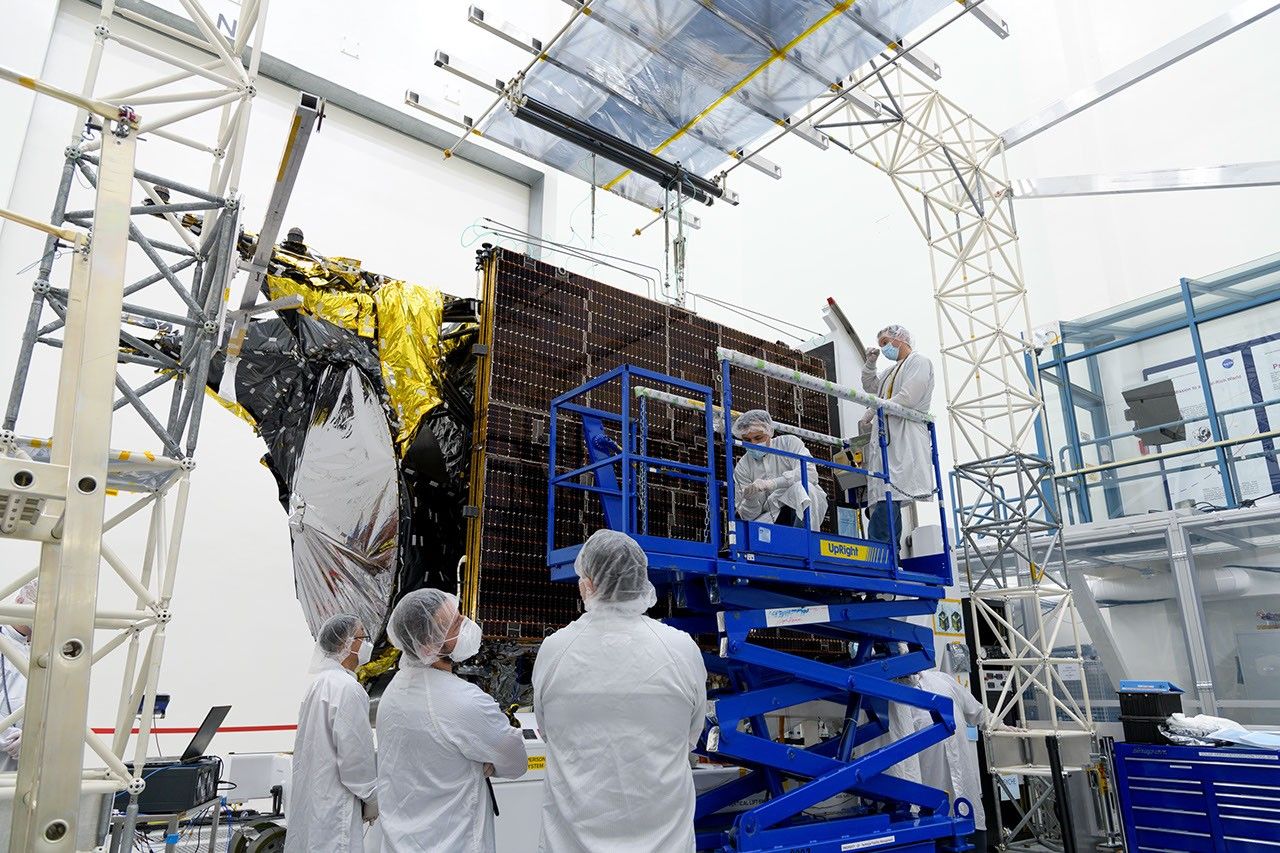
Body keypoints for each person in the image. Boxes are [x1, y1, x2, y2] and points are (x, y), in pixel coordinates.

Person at [534, 529, 708, 852]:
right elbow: (689, 736)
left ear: (588, 584)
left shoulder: (554, 651)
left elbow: (547, 731)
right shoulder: (681, 650)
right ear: (640, 579)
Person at [376, 589, 526, 853]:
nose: (467, 623)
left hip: (401, 842)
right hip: (453, 843)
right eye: (455, 624)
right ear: (427, 646)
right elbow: (516, 762)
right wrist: (485, 760)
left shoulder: (393, 691)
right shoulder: (464, 701)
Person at [284, 613, 377, 853]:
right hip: (336, 808)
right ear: (346, 643)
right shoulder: (348, 689)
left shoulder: (320, 684)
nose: (367, 643)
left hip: (316, 801)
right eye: (362, 637)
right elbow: (355, 759)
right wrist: (374, 798)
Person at [860, 324, 935, 548]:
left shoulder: (919, 362)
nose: (884, 348)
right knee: (886, 495)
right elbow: (871, 386)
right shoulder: (890, 371)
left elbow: (908, 398)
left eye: (886, 343)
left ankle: (883, 554)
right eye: (881, 344)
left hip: (906, 435)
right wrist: (870, 363)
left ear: (900, 339)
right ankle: (891, 552)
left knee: (889, 495)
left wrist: (875, 409)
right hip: (888, 440)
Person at [913, 668, 1001, 851]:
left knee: (974, 842)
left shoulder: (943, 681)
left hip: (966, 799)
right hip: (930, 806)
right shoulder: (895, 696)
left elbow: (978, 712)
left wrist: (999, 725)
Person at [731, 409, 829, 531]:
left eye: (758, 437)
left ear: (770, 431)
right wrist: (751, 499)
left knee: (804, 488)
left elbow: (810, 474)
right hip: (769, 519)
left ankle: (805, 539)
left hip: (799, 506)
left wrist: (772, 483)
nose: (754, 444)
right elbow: (746, 516)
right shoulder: (743, 467)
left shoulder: (788, 444)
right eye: (747, 440)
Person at [0, 580, 36, 772]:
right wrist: (9, 736)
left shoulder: (41, 650)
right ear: (19, 601)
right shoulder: (3, 642)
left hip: (32, 762)